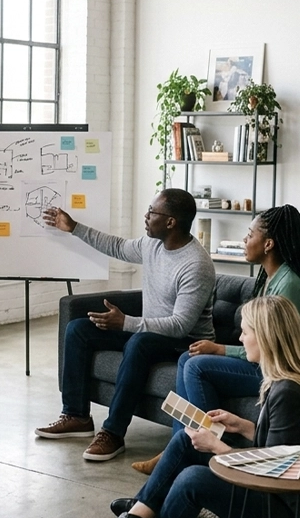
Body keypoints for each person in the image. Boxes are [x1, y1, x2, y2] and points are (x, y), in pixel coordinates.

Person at [68, 295, 300, 518]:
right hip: (276, 494)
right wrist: (243, 425)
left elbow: (274, 475)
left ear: (267, 337)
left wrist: (217, 447)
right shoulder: (280, 383)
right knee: (184, 440)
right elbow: (277, 448)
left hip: (284, 515)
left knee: (193, 479)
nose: (240, 339)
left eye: (246, 332)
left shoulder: (288, 392)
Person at [35, 189, 216, 461]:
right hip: (153, 332)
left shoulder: (196, 264)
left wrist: (126, 322)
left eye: (152, 212)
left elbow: (180, 325)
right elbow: (118, 247)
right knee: (79, 330)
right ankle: (76, 415)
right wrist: (73, 228)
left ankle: (113, 433)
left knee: (139, 342)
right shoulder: (153, 244)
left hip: (187, 342)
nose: (146, 216)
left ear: (170, 222)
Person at [132, 204, 300, 476]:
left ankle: (208, 444)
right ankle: (183, 441)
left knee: (198, 365)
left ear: (268, 244)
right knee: (189, 358)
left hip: (278, 370)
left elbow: (274, 346)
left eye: (249, 235)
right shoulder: (268, 278)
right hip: (265, 362)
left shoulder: (289, 283)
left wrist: (220, 349)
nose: (245, 241)